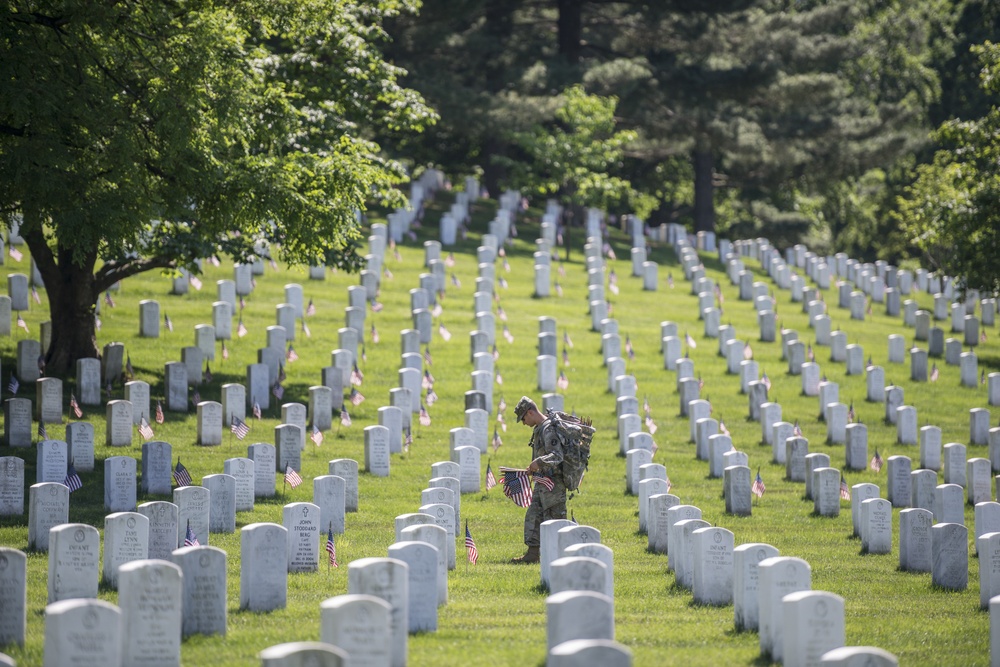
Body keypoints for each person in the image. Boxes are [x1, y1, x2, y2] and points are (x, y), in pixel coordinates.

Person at [511, 396, 566, 563]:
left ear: (530, 412)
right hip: (542, 480)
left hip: (553, 484)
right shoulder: (539, 428)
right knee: (534, 515)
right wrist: (534, 469)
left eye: (523, 418)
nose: (523, 422)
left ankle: (560, 555)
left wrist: (539, 462)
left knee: (554, 519)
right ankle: (533, 554)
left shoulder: (548, 429)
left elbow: (557, 456)